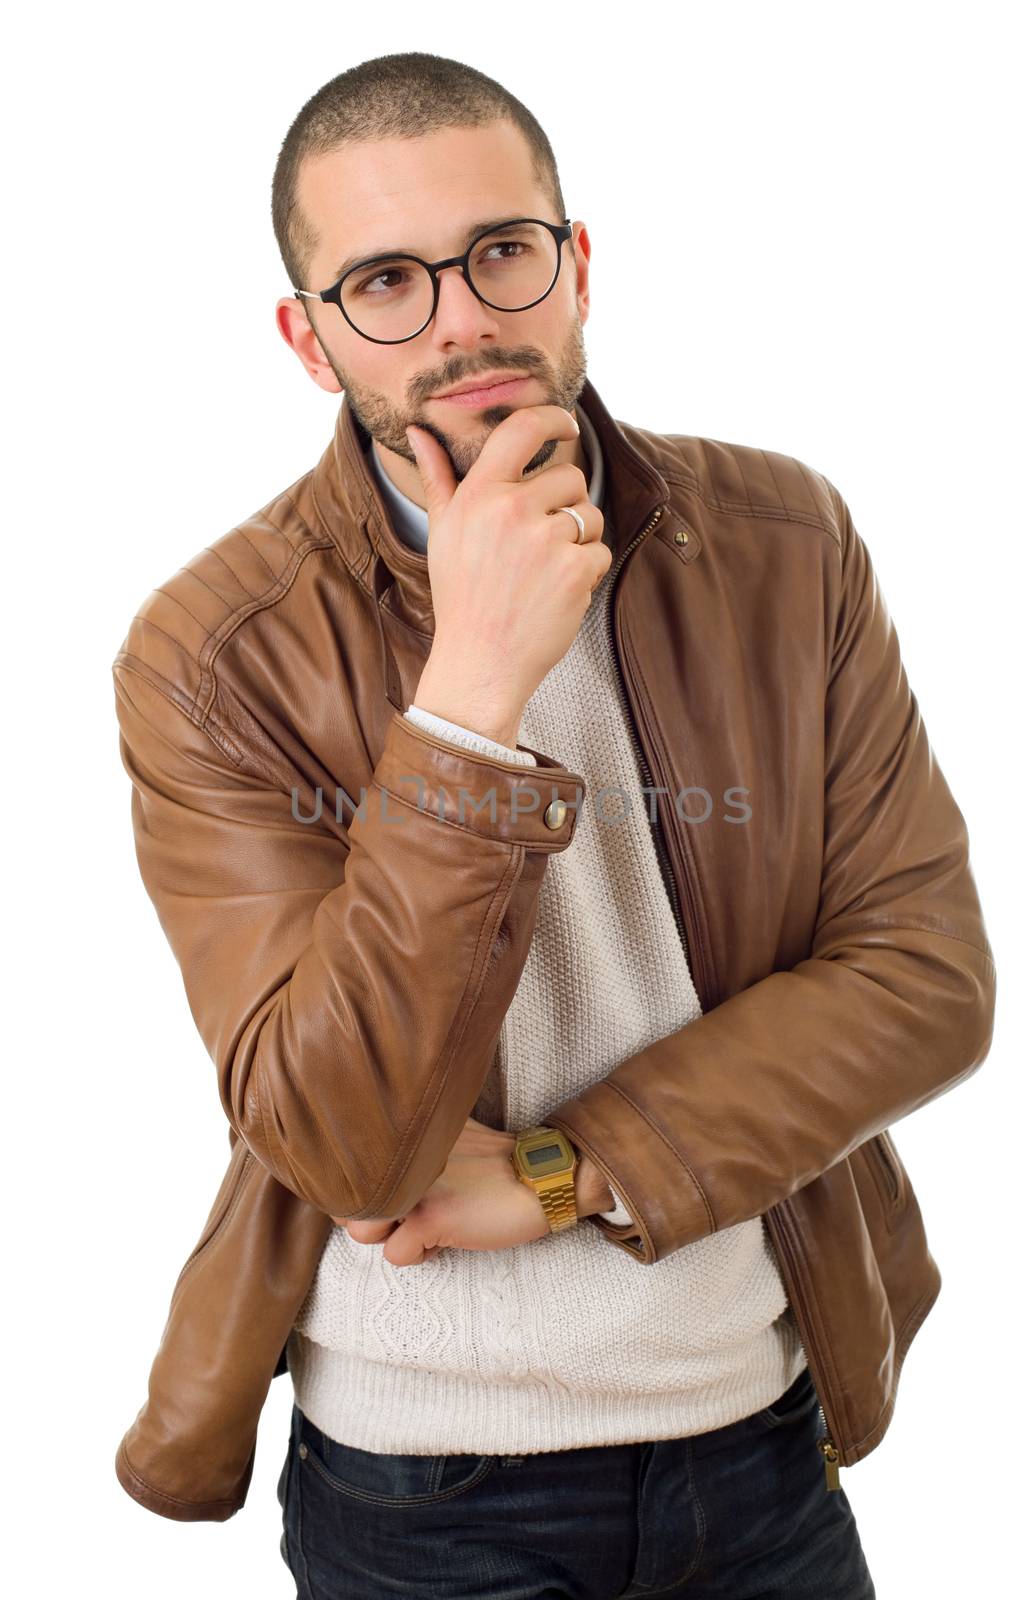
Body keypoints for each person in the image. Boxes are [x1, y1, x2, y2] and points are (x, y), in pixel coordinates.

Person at [112, 49, 996, 1600]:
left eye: (501, 252)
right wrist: (468, 696)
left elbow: (927, 983)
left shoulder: (787, 545)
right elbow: (342, 1138)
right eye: (384, 281)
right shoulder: (213, 652)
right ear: (309, 341)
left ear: (576, 264)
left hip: (759, 1439)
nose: (461, 319)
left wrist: (560, 1170)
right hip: (424, 1494)